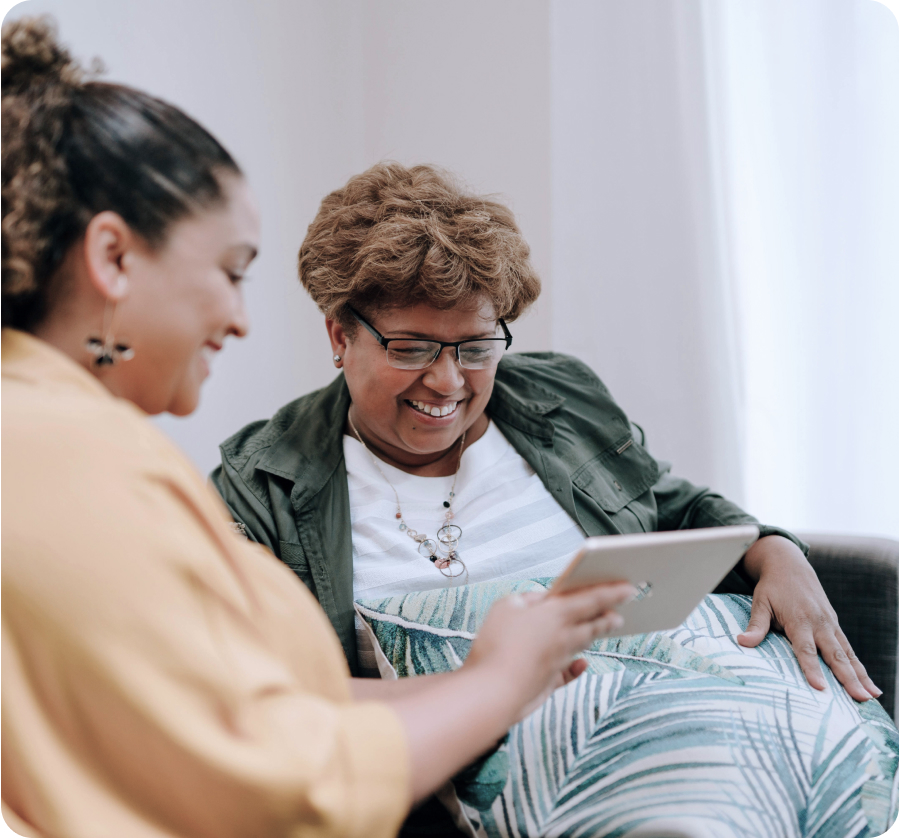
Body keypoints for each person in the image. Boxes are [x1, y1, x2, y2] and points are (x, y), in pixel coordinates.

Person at [1, 19, 633, 838]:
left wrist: (488, 676)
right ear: (114, 257)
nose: (239, 320)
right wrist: (499, 686)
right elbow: (287, 788)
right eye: (230, 272)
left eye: (473, 347)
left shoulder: (56, 440)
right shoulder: (71, 466)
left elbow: (251, 709)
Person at [213, 161, 878, 703]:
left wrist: (776, 553)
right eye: (412, 349)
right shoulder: (263, 485)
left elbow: (678, 511)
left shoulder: (556, 398)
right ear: (339, 335)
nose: (447, 383)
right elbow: (261, 698)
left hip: (648, 715)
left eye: (475, 347)